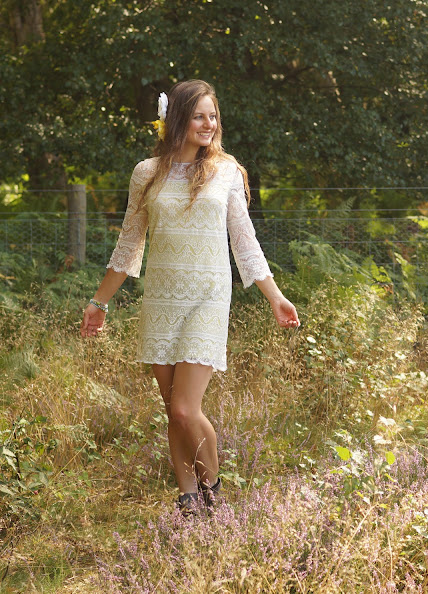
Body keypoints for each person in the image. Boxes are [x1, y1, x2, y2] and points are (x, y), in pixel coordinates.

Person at [80, 80, 300, 515]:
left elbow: (245, 240)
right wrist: (99, 302)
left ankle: (213, 493)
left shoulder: (227, 173)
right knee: (172, 410)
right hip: (161, 300)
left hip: (209, 297)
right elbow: (129, 244)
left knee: (184, 408)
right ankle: (188, 500)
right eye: (199, 115)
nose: (209, 124)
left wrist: (274, 296)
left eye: (213, 116)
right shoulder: (146, 173)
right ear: (177, 119)